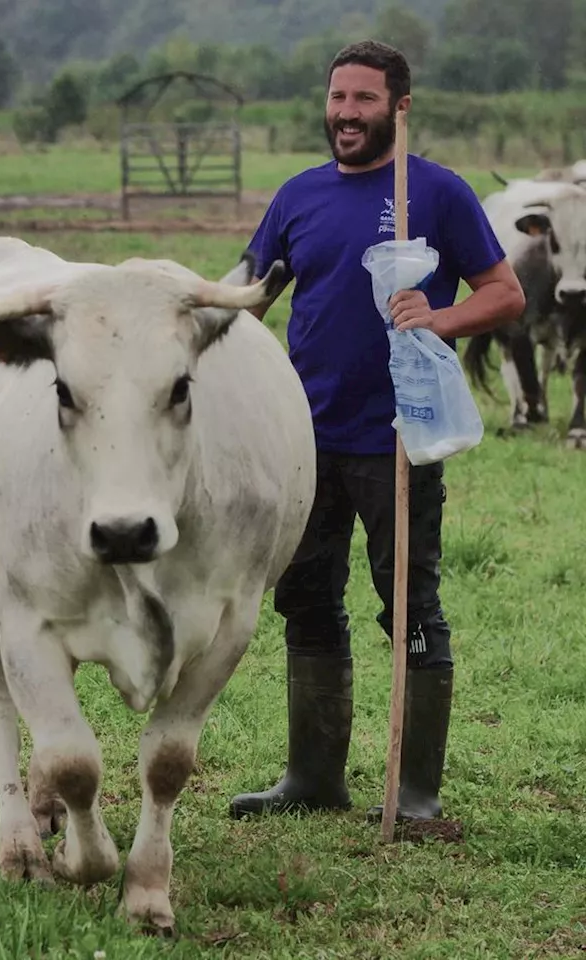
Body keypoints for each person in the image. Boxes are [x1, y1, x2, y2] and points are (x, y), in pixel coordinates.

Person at [229, 41, 525, 824]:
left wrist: (441, 314)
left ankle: (417, 797)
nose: (346, 114)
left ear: (399, 106)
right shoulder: (297, 196)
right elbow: (251, 295)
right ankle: (314, 779)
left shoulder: (437, 192)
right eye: (337, 98)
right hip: (305, 439)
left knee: (410, 607)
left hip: (398, 434)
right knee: (306, 600)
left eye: (364, 99)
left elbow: (505, 292)